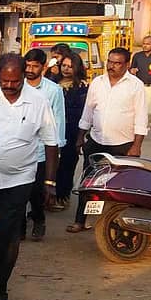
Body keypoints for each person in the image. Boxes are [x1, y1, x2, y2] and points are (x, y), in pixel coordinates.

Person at [0, 54, 59, 300]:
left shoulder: (38, 102)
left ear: (23, 77)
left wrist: (49, 181)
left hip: (19, 180)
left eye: (15, 81)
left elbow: (51, 142)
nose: (9, 86)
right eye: (4, 81)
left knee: (7, 237)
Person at [68, 47, 147, 232]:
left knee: (121, 185)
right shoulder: (98, 82)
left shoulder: (135, 85)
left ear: (126, 65)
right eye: (109, 62)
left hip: (123, 144)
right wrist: (80, 137)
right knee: (89, 182)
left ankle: (118, 224)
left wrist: (136, 146)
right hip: (96, 141)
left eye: (117, 63)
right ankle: (80, 220)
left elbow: (141, 118)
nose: (111, 66)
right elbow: (88, 111)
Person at [21, 49, 65, 241]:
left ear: (43, 67)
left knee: (36, 192)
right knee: (19, 192)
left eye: (35, 66)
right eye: (27, 65)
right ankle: (20, 227)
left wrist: (57, 148)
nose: (30, 70)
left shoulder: (53, 90)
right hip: (20, 149)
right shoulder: (18, 85)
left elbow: (58, 120)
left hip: (41, 150)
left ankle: (39, 220)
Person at [54, 52, 88, 210]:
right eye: (64, 65)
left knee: (67, 165)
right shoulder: (52, 83)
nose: (66, 69)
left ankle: (63, 196)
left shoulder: (82, 87)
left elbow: (84, 112)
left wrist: (81, 136)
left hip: (72, 131)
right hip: (53, 130)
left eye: (70, 66)